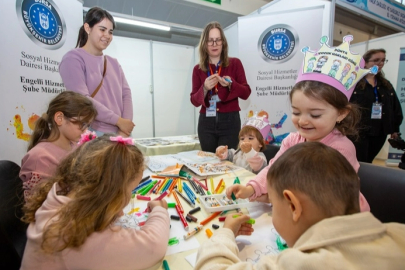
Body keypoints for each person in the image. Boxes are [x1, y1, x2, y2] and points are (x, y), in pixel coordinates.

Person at [195, 142, 405, 270]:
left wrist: (225, 233)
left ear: (294, 206)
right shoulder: (399, 236)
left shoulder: (301, 264)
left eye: (274, 206)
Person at [226, 36, 372, 211]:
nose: (302, 120)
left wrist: (273, 196)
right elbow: (274, 169)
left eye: (315, 115)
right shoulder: (292, 140)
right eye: (296, 112)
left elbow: (322, 199)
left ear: (341, 113)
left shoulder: (341, 150)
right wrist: (252, 188)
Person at [20, 135, 170, 270]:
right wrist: (160, 211)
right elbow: (154, 246)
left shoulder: (59, 192)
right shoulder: (76, 236)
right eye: (130, 190)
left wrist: (110, 206)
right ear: (112, 191)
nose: (130, 196)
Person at [59, 7, 134, 137]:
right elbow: (82, 100)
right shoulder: (73, 59)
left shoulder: (113, 63)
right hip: (93, 133)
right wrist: (118, 120)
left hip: (121, 132)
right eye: (102, 29)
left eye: (110, 32)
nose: (107, 36)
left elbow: (126, 94)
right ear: (88, 28)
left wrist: (125, 127)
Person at [20, 91, 97, 201]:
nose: (86, 130)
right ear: (59, 118)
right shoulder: (39, 157)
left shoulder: (74, 146)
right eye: (82, 124)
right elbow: (37, 207)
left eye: (88, 125)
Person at [191, 21, 251, 153]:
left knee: (226, 163)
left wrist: (231, 84)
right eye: (210, 41)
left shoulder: (235, 63)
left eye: (217, 40)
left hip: (230, 121)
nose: (214, 44)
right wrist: (205, 88)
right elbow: (194, 101)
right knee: (208, 162)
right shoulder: (198, 69)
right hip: (206, 122)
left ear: (223, 42)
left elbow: (246, 93)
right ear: (204, 44)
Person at [349, 48, 403, 163]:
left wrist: (395, 129)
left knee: (369, 161)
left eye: (383, 60)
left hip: (379, 131)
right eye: (376, 60)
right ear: (365, 62)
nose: (380, 63)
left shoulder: (385, 85)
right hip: (358, 131)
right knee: (359, 161)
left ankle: (366, 180)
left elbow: (395, 108)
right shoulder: (354, 83)